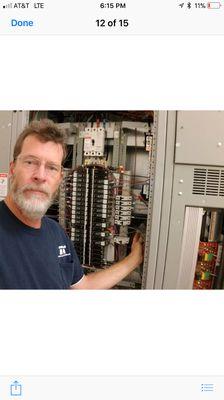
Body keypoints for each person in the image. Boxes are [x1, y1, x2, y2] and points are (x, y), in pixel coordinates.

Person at [0, 119, 144, 289]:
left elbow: (82, 287)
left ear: (60, 178)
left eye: (52, 167)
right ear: (12, 169)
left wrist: (133, 259)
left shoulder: (56, 233)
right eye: (30, 162)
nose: (40, 176)